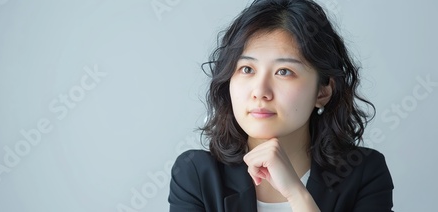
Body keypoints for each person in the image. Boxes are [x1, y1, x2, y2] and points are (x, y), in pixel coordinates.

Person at [168, 0, 393, 211]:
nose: (260, 92)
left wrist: (297, 194)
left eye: (284, 72)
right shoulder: (196, 174)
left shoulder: (363, 172)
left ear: (322, 92)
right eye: (247, 69)